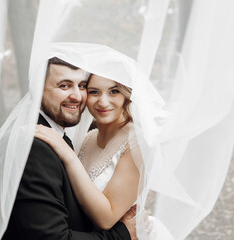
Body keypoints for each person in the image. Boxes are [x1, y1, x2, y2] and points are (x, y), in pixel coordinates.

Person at [1, 57, 136, 240]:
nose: (77, 96)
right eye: (64, 86)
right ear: (37, 90)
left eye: (81, 86)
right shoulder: (38, 145)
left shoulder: (133, 143)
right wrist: (122, 235)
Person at [34, 71, 167, 239]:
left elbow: (107, 219)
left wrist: (68, 155)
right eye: (94, 92)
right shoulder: (88, 138)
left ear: (128, 96)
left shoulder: (137, 144)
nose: (103, 102)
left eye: (114, 91)